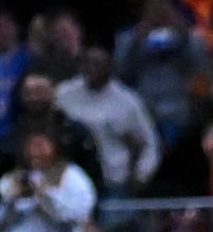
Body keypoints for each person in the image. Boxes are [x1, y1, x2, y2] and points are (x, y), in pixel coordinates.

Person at [52, 44, 160, 195]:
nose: (91, 68)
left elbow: (149, 143)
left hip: (114, 180)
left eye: (97, 64)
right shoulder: (64, 94)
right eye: (87, 63)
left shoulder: (128, 101)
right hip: (71, 179)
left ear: (110, 67)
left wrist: (141, 176)